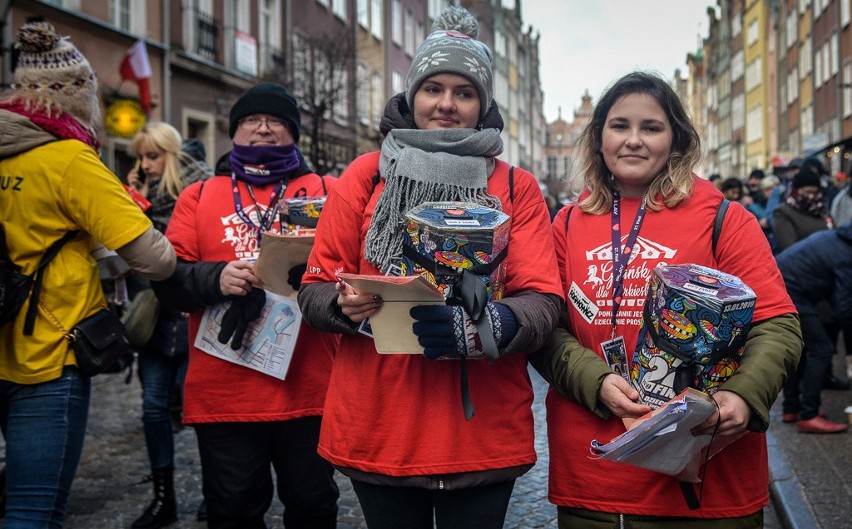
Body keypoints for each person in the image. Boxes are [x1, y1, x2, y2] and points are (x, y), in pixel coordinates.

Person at [297, 6, 563, 529]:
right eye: (433, 88)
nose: (446, 104)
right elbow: (313, 288)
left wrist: (488, 325)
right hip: (382, 420)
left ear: (482, 104)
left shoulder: (514, 185)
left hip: (480, 427)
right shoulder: (365, 176)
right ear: (411, 95)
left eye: (464, 93)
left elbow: (542, 301)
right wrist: (342, 304)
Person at [530, 71, 802, 527]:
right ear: (599, 138)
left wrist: (742, 395)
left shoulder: (722, 218)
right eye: (619, 126)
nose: (633, 140)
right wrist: (596, 381)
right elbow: (545, 328)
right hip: (594, 480)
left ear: (676, 139)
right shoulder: (567, 225)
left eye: (651, 128)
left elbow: (778, 325)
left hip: (705, 482)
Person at [0, 20, 176, 527]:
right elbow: (155, 259)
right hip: (48, 355)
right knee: (34, 509)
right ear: (78, 95)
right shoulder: (69, 159)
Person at [151, 82, 339, 529]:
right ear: (234, 131)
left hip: (309, 390)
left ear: (292, 132)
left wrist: (314, 275)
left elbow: (352, 264)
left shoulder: (327, 190)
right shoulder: (199, 196)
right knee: (232, 513)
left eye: (275, 121)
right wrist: (215, 277)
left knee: (313, 508)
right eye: (251, 120)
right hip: (224, 393)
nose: (263, 129)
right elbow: (166, 278)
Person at [126, 122, 212, 529]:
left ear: (172, 156)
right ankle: (164, 497)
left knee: (201, 411)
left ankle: (216, 491)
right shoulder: (139, 199)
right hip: (155, 322)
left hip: (194, 317)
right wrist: (134, 201)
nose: (145, 165)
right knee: (153, 408)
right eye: (140, 158)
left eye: (152, 156)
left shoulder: (200, 193)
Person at [776, 225, 852, 433]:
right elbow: (845, 308)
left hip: (780, 283)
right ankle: (809, 415)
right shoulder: (847, 256)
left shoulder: (835, 236)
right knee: (822, 350)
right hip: (791, 291)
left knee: (801, 347)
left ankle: (791, 408)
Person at [772, 168, 834, 252]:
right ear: (797, 190)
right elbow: (789, 249)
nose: (811, 196)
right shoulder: (783, 212)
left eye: (815, 193)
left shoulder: (822, 210)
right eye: (807, 192)